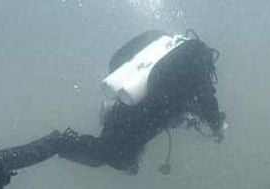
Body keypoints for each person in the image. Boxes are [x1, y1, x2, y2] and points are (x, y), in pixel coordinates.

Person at [58, 29, 227, 173]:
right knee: (110, 157)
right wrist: (217, 125)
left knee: (107, 155)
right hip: (143, 113)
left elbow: (119, 61)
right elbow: (206, 99)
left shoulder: (167, 56)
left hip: (129, 107)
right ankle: (57, 142)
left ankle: (59, 143)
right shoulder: (195, 65)